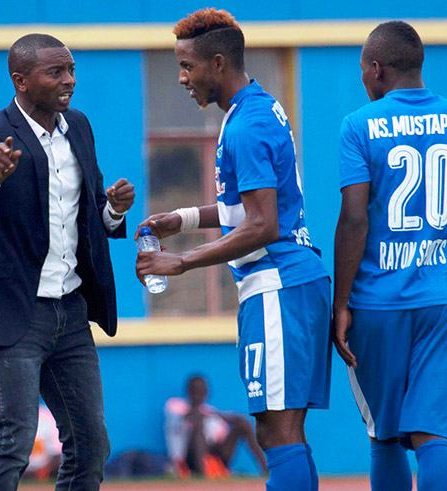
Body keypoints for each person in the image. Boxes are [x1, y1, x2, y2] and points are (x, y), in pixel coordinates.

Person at [135, 8, 331, 490]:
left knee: (277, 429)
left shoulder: (245, 126)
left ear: (218, 63)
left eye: (188, 66)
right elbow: (249, 210)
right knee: (279, 429)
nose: (182, 78)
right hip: (289, 283)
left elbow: (264, 226)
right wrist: (180, 220)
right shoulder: (255, 110)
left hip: (279, 283)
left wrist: (178, 262)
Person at [0, 33, 136, 489]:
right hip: (14, 310)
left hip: (70, 312)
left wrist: (113, 208)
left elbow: (93, 212)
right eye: (56, 72)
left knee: (91, 443)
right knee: (15, 438)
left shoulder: (79, 126)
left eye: (71, 70)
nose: (69, 81)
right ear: (21, 80)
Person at [332, 21, 447, 491]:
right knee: (433, 437)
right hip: (443, 301)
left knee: (385, 436)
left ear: (376, 68)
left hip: (376, 304)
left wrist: (340, 304)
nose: (363, 81)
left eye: (362, 71)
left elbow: (353, 220)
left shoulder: (358, 125)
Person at [164, 375, 268, 479]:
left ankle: (266, 471)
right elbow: (186, 416)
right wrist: (213, 415)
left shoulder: (210, 411)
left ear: (207, 393)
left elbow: (218, 438)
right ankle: (203, 476)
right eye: (195, 390)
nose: (198, 394)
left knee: (242, 422)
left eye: (202, 391)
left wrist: (227, 418)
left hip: (211, 455)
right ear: (188, 391)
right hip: (187, 459)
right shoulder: (175, 405)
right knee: (198, 425)